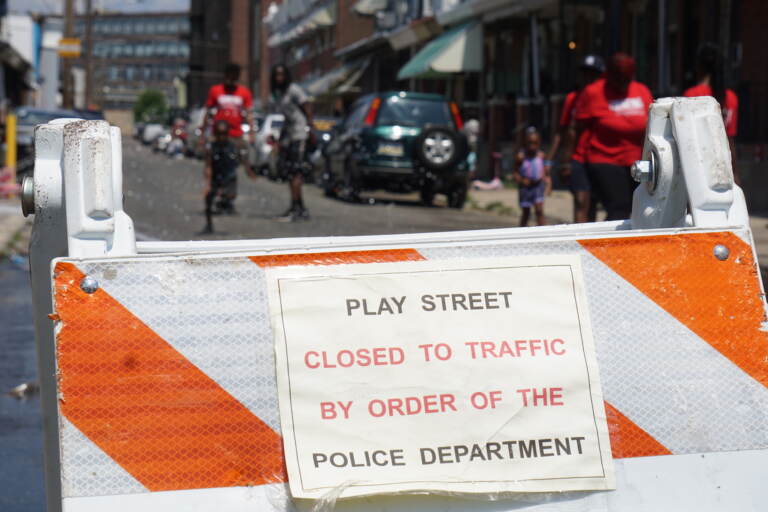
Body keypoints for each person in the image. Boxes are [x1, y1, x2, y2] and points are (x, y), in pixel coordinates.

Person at [574, 53, 653, 221]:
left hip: (636, 160)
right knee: (619, 207)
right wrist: (573, 163)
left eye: (626, 80)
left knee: (640, 207)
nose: (622, 85)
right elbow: (577, 129)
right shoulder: (594, 92)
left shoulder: (642, 91)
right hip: (605, 159)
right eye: (618, 79)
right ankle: (608, 245)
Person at [548, 54, 605, 223]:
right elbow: (563, 130)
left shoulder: (606, 99)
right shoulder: (572, 99)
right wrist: (553, 161)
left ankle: (593, 241)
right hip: (578, 157)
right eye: (585, 73)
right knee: (581, 200)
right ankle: (580, 240)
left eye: (593, 74)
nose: (588, 78)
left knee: (594, 203)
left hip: (601, 158)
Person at [683, 44, 739, 183]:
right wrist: (734, 171)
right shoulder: (730, 97)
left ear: (699, 66)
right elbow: (730, 139)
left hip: (697, 164)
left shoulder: (691, 95)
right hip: (722, 166)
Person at [270, 64, 314, 222]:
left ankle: (298, 209)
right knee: (290, 172)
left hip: (300, 134)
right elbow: (285, 119)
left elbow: (306, 106)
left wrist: (311, 128)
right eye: (276, 75)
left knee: (296, 171)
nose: (279, 78)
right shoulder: (278, 94)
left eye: (281, 74)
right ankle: (297, 206)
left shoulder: (293, 89)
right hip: (289, 135)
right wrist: (280, 139)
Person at [201, 120, 254, 234]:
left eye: (224, 134)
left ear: (227, 133)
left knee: (230, 194)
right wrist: (207, 184)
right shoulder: (212, 147)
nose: (221, 137)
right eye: (219, 134)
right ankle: (209, 224)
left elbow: (243, 158)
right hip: (216, 175)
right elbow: (208, 165)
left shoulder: (233, 145)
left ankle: (225, 202)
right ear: (215, 134)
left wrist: (248, 171)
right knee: (208, 199)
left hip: (229, 176)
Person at [513, 127, 551, 227]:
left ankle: (543, 233)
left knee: (539, 211)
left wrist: (549, 185)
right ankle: (522, 233)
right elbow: (515, 173)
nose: (532, 146)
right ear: (525, 142)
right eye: (530, 143)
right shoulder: (521, 157)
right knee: (526, 213)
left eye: (535, 143)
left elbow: (546, 173)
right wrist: (521, 180)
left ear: (539, 143)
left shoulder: (541, 155)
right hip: (525, 188)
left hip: (538, 186)